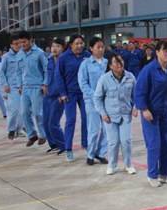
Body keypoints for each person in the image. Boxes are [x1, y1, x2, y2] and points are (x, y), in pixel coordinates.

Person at [134, 41, 167, 187]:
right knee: (154, 144)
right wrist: (143, 109)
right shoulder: (148, 70)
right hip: (151, 113)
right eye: (165, 51)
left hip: (165, 112)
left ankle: (164, 173)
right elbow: (139, 91)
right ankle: (152, 174)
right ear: (157, 52)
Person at [94, 53, 138, 175]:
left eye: (121, 61)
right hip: (110, 117)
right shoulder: (104, 79)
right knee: (113, 142)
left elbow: (137, 94)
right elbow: (97, 98)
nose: (120, 64)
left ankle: (128, 164)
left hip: (125, 115)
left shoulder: (130, 77)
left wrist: (135, 107)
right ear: (110, 65)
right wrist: (103, 113)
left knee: (126, 141)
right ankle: (111, 165)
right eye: (116, 62)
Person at [55, 33, 91, 162]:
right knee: (70, 120)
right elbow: (58, 76)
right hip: (69, 93)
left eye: (81, 43)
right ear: (71, 44)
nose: (79, 46)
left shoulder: (87, 55)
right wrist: (62, 93)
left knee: (86, 118)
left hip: (84, 93)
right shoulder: (63, 58)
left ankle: (85, 143)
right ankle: (68, 148)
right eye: (77, 43)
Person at [78, 37, 109, 165]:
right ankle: (90, 154)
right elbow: (83, 83)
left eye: (102, 47)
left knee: (107, 129)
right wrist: (95, 95)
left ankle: (101, 153)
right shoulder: (85, 64)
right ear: (91, 48)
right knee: (93, 129)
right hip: (92, 101)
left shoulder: (108, 63)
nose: (101, 49)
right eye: (98, 47)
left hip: (107, 101)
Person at [16, 31, 48, 146]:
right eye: (20, 42)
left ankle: (43, 134)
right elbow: (18, 72)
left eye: (24, 42)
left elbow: (46, 70)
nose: (22, 44)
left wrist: (45, 84)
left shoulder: (39, 53)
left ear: (30, 40)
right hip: (25, 87)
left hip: (37, 87)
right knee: (24, 112)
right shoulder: (19, 54)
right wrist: (19, 85)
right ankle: (32, 135)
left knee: (37, 112)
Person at [42, 38, 67, 155]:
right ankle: (54, 145)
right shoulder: (50, 61)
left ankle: (64, 145)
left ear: (63, 48)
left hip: (59, 96)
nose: (54, 48)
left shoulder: (64, 62)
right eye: (53, 46)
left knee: (53, 122)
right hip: (49, 95)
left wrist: (63, 94)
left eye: (57, 46)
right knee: (45, 122)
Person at [0, 36, 24, 140]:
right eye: (16, 43)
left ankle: (20, 129)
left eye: (19, 43)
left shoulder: (24, 55)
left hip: (23, 86)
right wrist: (5, 85)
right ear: (11, 45)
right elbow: (1, 73)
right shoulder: (6, 57)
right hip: (12, 87)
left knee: (24, 110)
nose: (18, 45)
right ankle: (11, 129)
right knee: (14, 109)